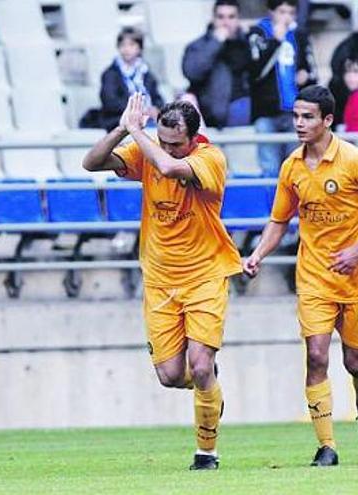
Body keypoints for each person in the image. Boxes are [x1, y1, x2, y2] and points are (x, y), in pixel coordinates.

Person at [243, 85, 358, 467]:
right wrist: (257, 255)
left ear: (327, 120)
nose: (299, 124)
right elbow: (279, 220)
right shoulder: (292, 166)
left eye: (308, 117)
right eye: (296, 116)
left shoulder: (356, 160)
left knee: (354, 361)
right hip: (315, 276)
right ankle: (327, 446)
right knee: (316, 355)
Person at [82, 97, 242, 471]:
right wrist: (124, 127)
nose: (167, 148)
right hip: (160, 280)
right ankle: (209, 386)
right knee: (170, 375)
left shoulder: (209, 159)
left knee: (199, 364)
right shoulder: (146, 151)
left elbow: (169, 167)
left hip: (205, 274)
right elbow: (91, 163)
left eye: (176, 143)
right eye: (163, 140)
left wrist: (140, 134)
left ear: (193, 138)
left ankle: (206, 454)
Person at [248, 0, 317, 177]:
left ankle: (295, 206)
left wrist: (306, 76)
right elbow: (253, 72)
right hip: (266, 112)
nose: (286, 18)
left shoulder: (299, 35)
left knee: (296, 167)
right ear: (271, 12)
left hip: (295, 112)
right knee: (270, 167)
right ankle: (273, 205)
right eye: (281, 12)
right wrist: (275, 42)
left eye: (290, 13)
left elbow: (312, 71)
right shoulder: (257, 34)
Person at [182, 0, 252, 129]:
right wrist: (215, 43)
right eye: (221, 17)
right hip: (208, 116)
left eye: (231, 17)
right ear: (213, 19)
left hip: (243, 114)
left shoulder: (248, 44)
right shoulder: (199, 45)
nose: (226, 22)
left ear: (238, 19)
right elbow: (192, 72)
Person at [94, 27, 165, 132]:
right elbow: (110, 101)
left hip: (148, 119)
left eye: (131, 45)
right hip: (120, 119)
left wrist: (155, 109)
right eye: (123, 45)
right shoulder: (111, 74)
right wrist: (137, 110)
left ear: (139, 48)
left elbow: (157, 98)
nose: (126, 49)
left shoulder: (146, 73)